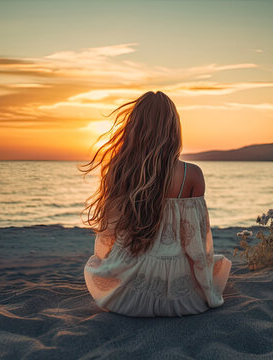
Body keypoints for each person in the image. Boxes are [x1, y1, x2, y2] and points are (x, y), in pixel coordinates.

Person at [81, 91, 231, 317]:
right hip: (180, 300)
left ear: (134, 128)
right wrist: (206, 289)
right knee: (217, 266)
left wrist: (110, 267)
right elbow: (196, 246)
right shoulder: (192, 174)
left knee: (97, 263)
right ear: (173, 128)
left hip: (124, 298)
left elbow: (108, 236)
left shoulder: (119, 171)